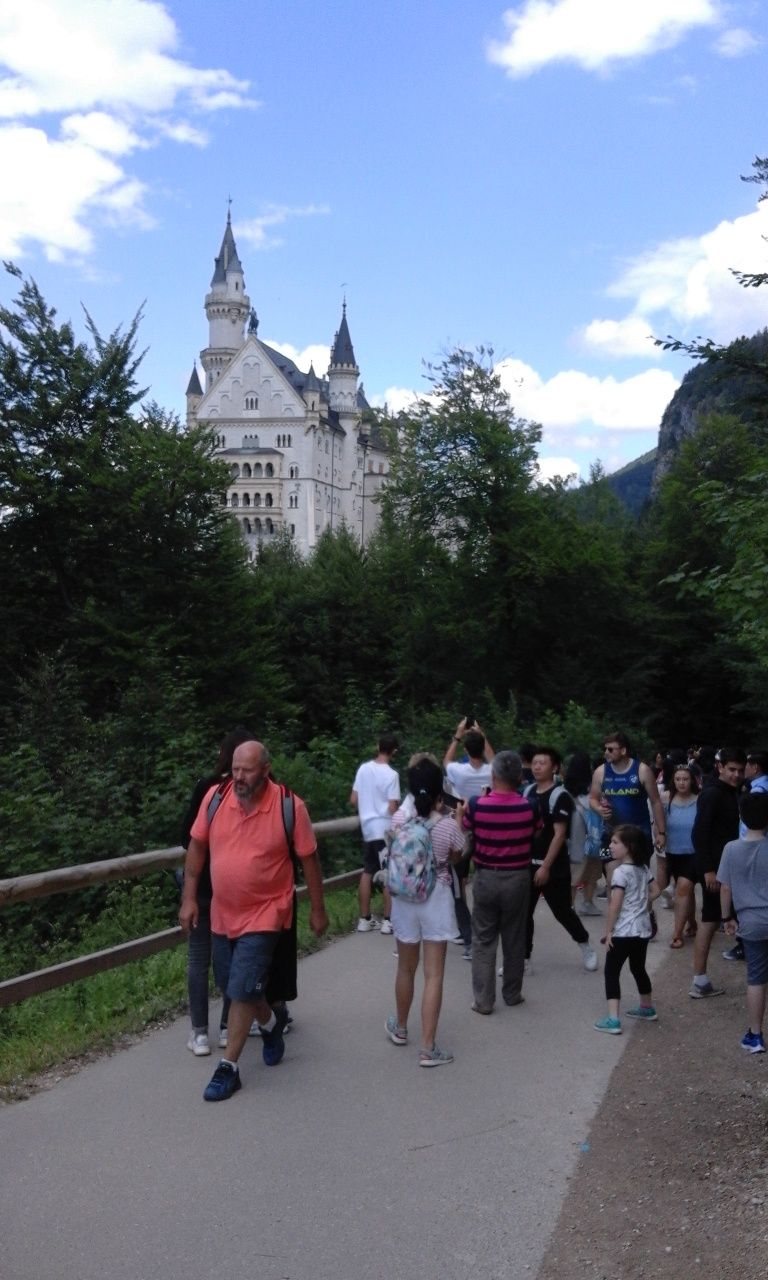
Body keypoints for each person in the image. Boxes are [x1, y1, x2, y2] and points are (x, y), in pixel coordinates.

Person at [179, 740, 328, 1101]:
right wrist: (189, 898)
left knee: (242, 986)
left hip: (267, 912)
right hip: (222, 913)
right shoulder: (216, 799)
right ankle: (273, 1023)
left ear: (265, 769)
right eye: (235, 768)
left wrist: (317, 908)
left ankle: (228, 1068)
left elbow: (309, 860)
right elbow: (197, 846)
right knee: (235, 984)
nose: (239, 777)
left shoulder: (289, 806)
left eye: (247, 770)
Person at [385, 758, 466, 1066]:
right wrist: (457, 819)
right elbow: (457, 855)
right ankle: (428, 1047)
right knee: (434, 974)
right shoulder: (447, 826)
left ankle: (401, 1028)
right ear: (439, 793)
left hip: (405, 900)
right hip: (436, 898)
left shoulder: (398, 822)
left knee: (406, 968)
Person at [180, 726, 255, 1056]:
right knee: (231, 956)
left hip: (203, 887)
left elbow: (187, 837)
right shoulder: (252, 790)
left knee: (199, 959)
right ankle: (227, 1027)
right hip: (235, 889)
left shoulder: (206, 788)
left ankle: (199, 1033)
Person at [458, 750, 535, 1014]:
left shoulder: (478, 804)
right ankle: (512, 994)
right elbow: (537, 831)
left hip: (486, 876)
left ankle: (483, 1001)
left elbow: (465, 827)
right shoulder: (529, 806)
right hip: (518, 878)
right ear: (519, 778)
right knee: (514, 937)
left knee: (483, 939)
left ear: (493, 776)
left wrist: (460, 816)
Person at [524, 747, 598, 972]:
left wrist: (545, 866)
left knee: (563, 911)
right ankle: (523, 958)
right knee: (523, 914)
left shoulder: (560, 796)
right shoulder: (528, 792)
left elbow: (558, 834)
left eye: (542, 763)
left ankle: (585, 944)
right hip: (527, 863)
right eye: (535, 763)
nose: (537, 767)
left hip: (554, 866)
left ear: (555, 767)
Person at [690, 747, 746, 998]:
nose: (736, 774)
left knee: (715, 920)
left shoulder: (732, 792)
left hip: (731, 867)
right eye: (732, 769)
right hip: (716, 870)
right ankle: (699, 980)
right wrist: (708, 870)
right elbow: (699, 833)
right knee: (710, 921)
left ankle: (700, 980)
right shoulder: (712, 794)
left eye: (740, 771)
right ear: (720, 767)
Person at [594, 824, 661, 1034]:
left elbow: (615, 904)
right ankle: (646, 1006)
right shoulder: (643, 869)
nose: (611, 846)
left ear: (628, 847)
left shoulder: (620, 872)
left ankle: (613, 1019)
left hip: (623, 930)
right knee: (638, 968)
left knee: (611, 971)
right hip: (642, 929)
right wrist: (642, 901)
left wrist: (609, 930)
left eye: (615, 842)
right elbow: (657, 889)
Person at [718, 792, 768, 1054]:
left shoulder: (731, 849)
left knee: (756, 978)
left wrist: (727, 917)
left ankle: (756, 1035)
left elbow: (725, 887)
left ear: (742, 817)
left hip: (750, 922)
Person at [443, 718, 494, 957]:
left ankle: (467, 937)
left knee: (458, 880)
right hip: (485, 828)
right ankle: (487, 925)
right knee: (484, 875)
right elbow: (494, 760)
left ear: (465, 749)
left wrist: (457, 733)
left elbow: (446, 761)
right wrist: (481, 734)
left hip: (462, 826)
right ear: (482, 748)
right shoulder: (490, 771)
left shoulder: (458, 771)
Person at [590, 733, 666, 868]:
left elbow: (656, 802)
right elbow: (592, 799)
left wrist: (661, 832)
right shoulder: (600, 772)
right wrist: (599, 809)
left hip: (638, 834)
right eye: (605, 749)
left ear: (623, 750)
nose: (606, 753)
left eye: (611, 749)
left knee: (637, 879)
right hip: (610, 834)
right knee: (612, 878)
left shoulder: (642, 770)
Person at [350, 733, 400, 934]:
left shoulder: (363, 769)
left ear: (378, 746)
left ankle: (364, 919)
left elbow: (354, 799)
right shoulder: (392, 774)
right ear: (394, 751)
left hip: (368, 828)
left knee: (367, 871)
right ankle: (388, 921)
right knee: (388, 873)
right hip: (384, 829)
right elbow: (392, 806)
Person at [664, 764, 700, 949]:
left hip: (694, 853)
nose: (681, 782)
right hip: (673, 853)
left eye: (685, 779)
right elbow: (659, 823)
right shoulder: (666, 799)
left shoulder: (700, 800)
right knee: (687, 892)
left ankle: (677, 934)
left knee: (682, 889)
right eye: (678, 779)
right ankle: (692, 923)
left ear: (692, 781)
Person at [566, 750, 603, 916]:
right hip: (593, 833)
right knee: (593, 870)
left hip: (574, 834)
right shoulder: (593, 787)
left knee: (574, 872)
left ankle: (570, 905)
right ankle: (587, 903)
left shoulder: (565, 789)